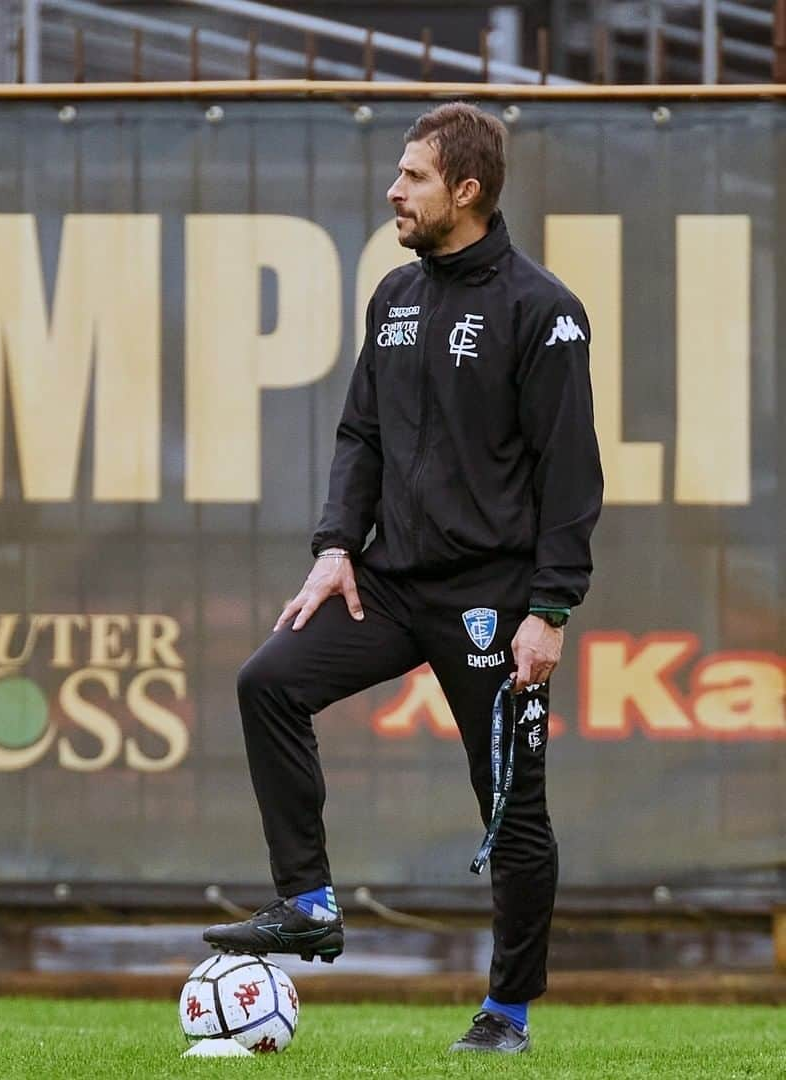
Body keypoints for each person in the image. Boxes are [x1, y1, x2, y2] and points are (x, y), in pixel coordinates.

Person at [202, 103, 603, 1054]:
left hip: (493, 602)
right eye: (398, 174)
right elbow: (363, 436)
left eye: (413, 176)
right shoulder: (395, 296)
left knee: (512, 808)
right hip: (387, 582)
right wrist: (337, 543)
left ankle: (505, 1016)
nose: (394, 190)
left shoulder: (542, 311)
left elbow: (571, 476)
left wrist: (549, 610)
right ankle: (306, 903)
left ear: (465, 191)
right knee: (269, 681)